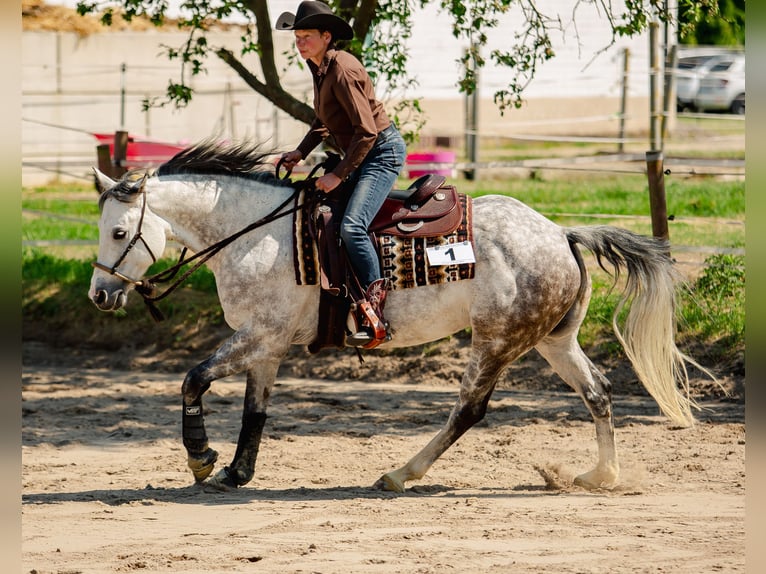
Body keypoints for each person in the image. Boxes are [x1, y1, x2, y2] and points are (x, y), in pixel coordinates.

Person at [276, 1, 407, 347]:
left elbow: (366, 133)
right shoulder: (317, 66)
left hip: (379, 152)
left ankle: (376, 315)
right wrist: (300, 152)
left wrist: (337, 175)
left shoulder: (344, 70)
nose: (300, 43)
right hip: (359, 154)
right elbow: (323, 120)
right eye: (297, 36)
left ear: (326, 36)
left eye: (307, 37)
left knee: (352, 226)